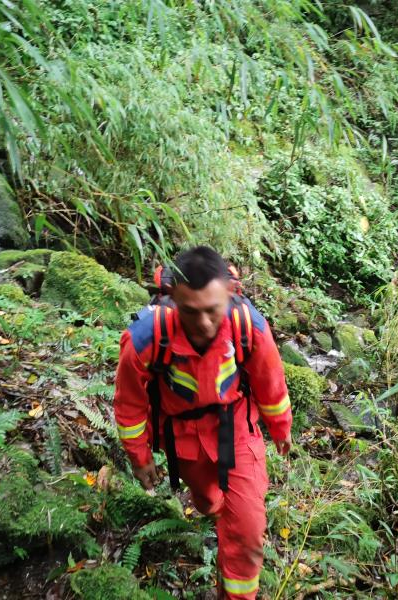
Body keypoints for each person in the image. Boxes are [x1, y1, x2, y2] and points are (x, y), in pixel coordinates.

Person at [114, 246, 292, 599]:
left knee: (247, 526)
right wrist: (140, 457)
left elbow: (271, 383)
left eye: (213, 310)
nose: (205, 323)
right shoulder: (147, 336)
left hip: (238, 430)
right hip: (183, 439)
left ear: (229, 293)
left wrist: (281, 428)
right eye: (191, 312)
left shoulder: (248, 327)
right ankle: (222, 516)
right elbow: (129, 403)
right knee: (209, 503)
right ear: (173, 299)